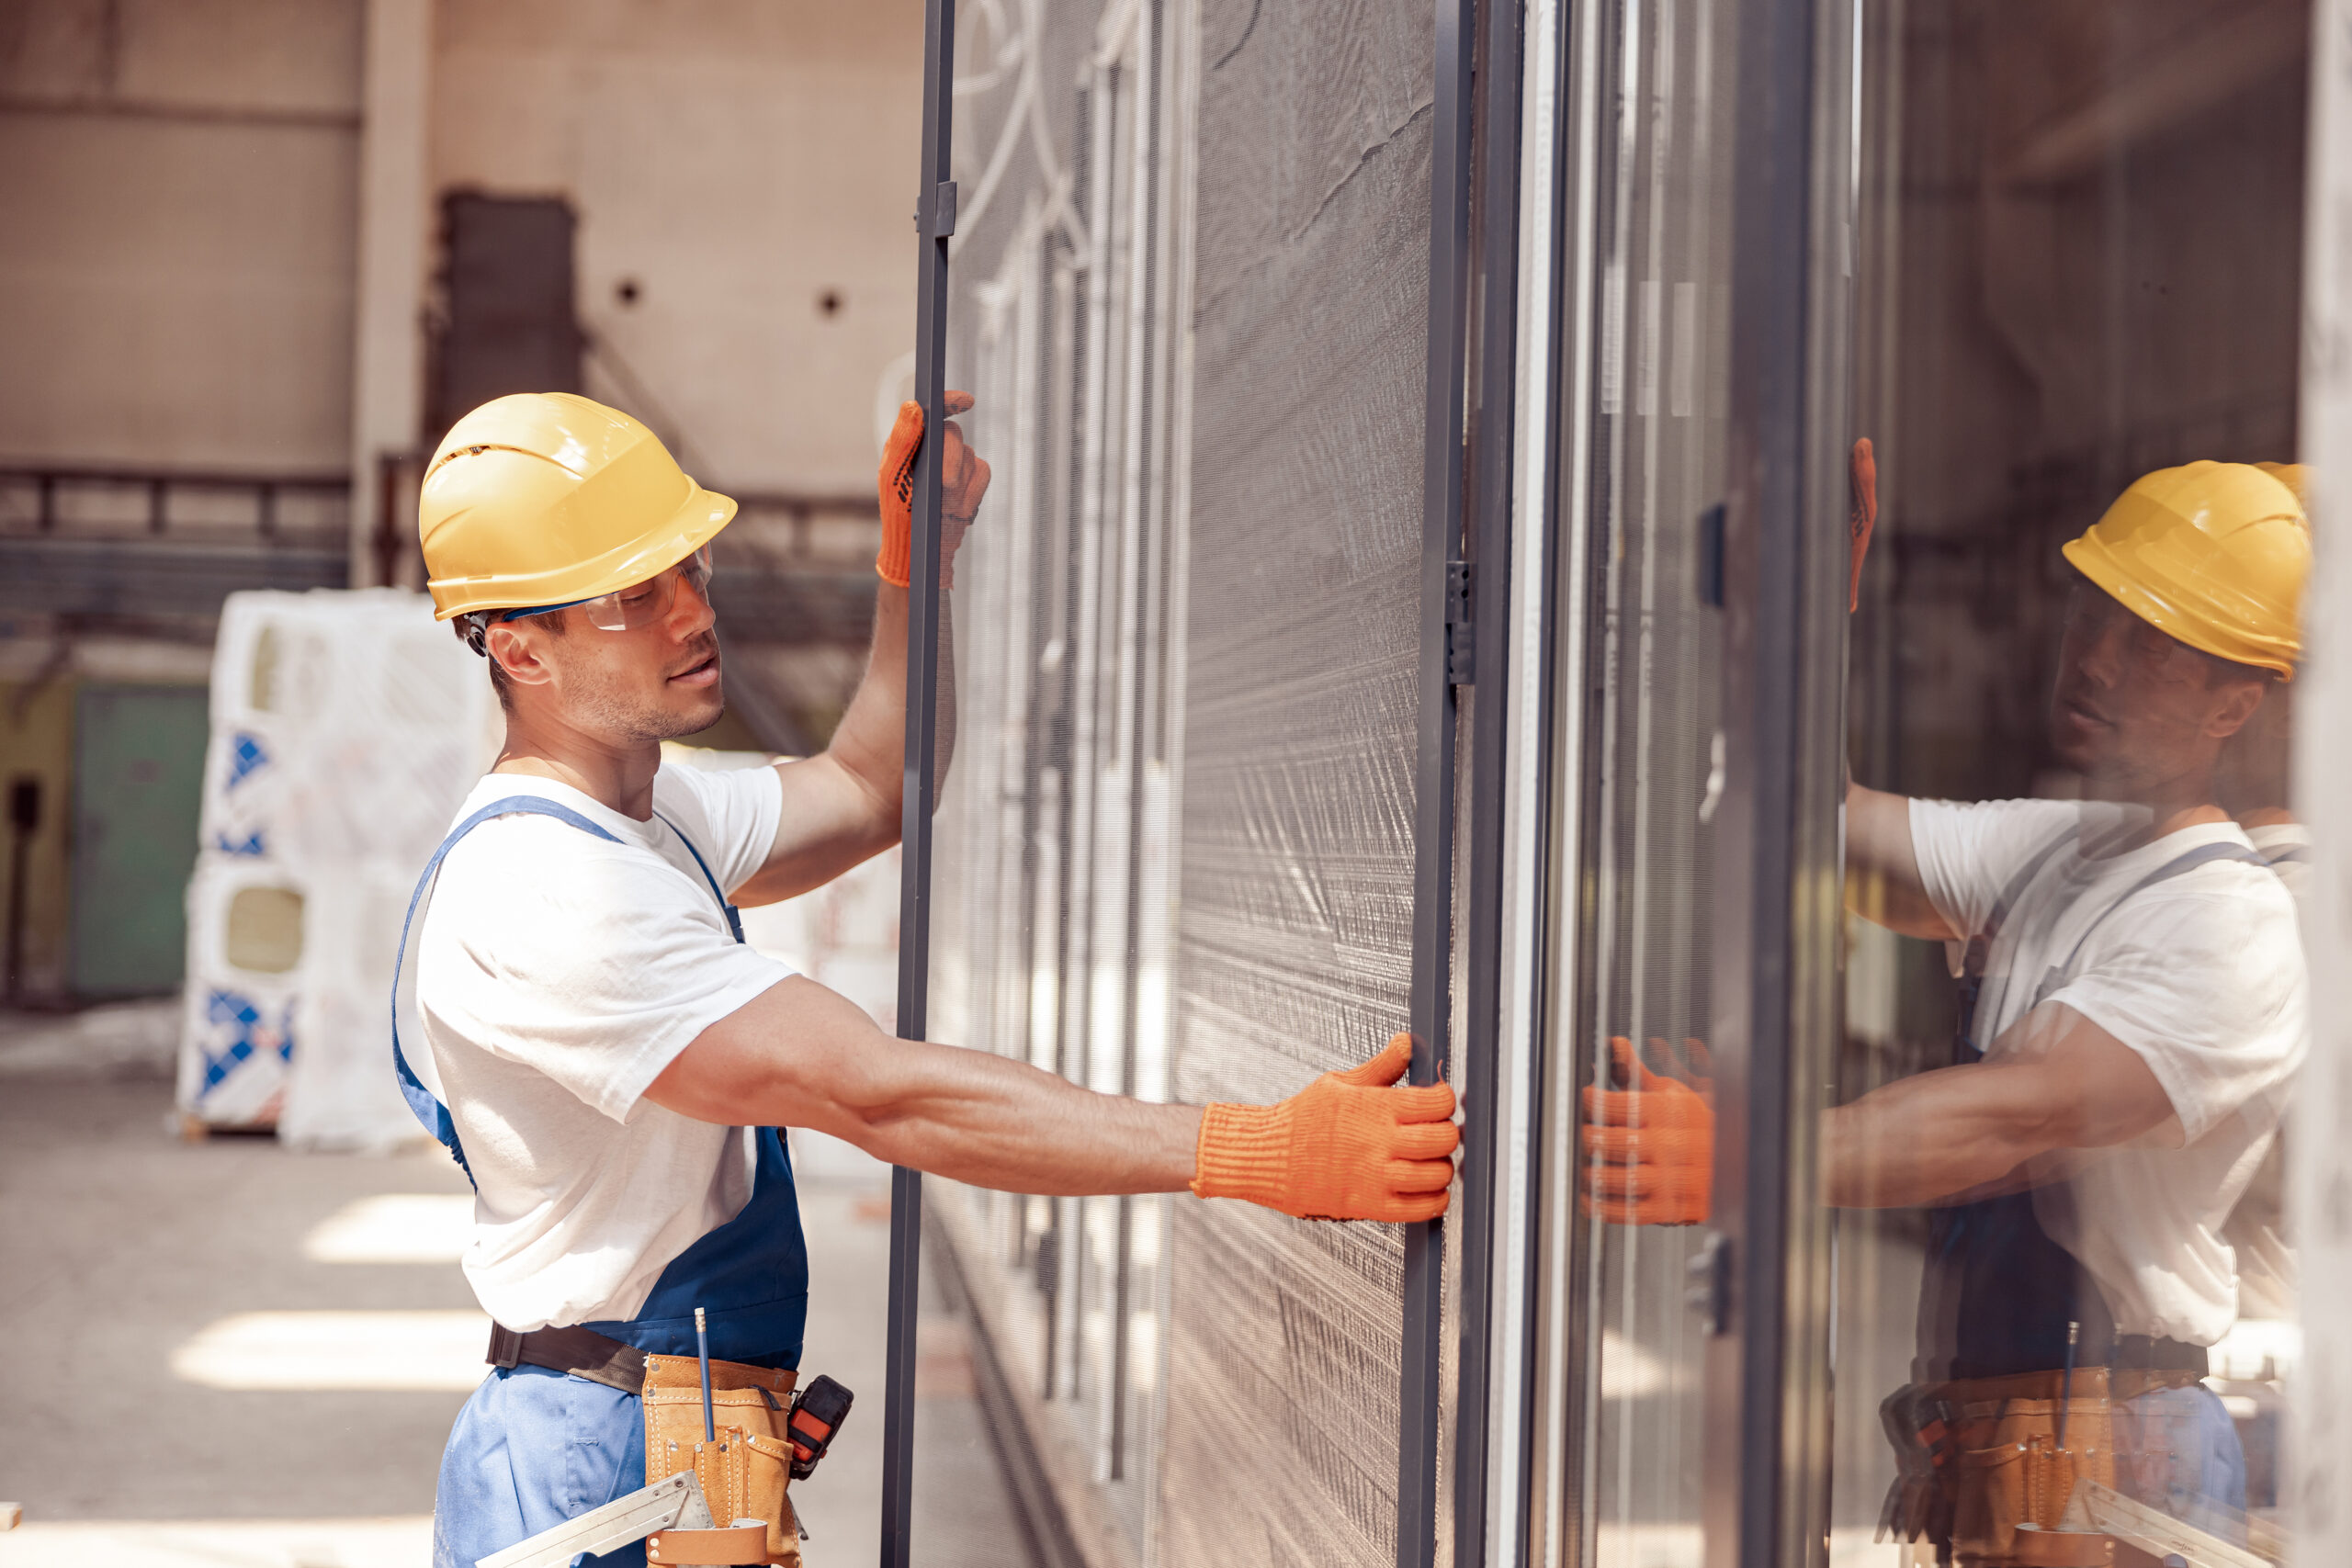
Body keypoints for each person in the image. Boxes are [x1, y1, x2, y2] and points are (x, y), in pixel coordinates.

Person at [394, 390, 1459, 1568]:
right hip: (593, 1475)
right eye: (634, 597)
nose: (693, 612)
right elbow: (876, 1095)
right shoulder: (546, 888)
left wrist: (916, 564)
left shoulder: (650, 810)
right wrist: (1257, 1152)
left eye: (689, 570)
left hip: (661, 1441)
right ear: (519, 646)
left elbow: (871, 785)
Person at [1585, 457, 2310, 1564]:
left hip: (2117, 1452)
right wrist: (1810, 611)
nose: (2098, 662)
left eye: (2153, 647)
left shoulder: (2231, 923)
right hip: (2016, 1439)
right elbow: (1814, 830)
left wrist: (1753, 1157)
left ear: (2235, 703)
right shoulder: (2064, 850)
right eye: (2093, 617)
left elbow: (2019, 1123)